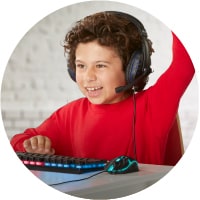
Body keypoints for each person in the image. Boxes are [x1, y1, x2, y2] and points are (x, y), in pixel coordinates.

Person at [10, 11, 195, 165]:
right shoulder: (69, 115)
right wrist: (31, 144)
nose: (88, 77)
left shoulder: (154, 106)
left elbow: (185, 62)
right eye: (81, 66)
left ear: (133, 67)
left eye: (100, 65)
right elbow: (17, 142)